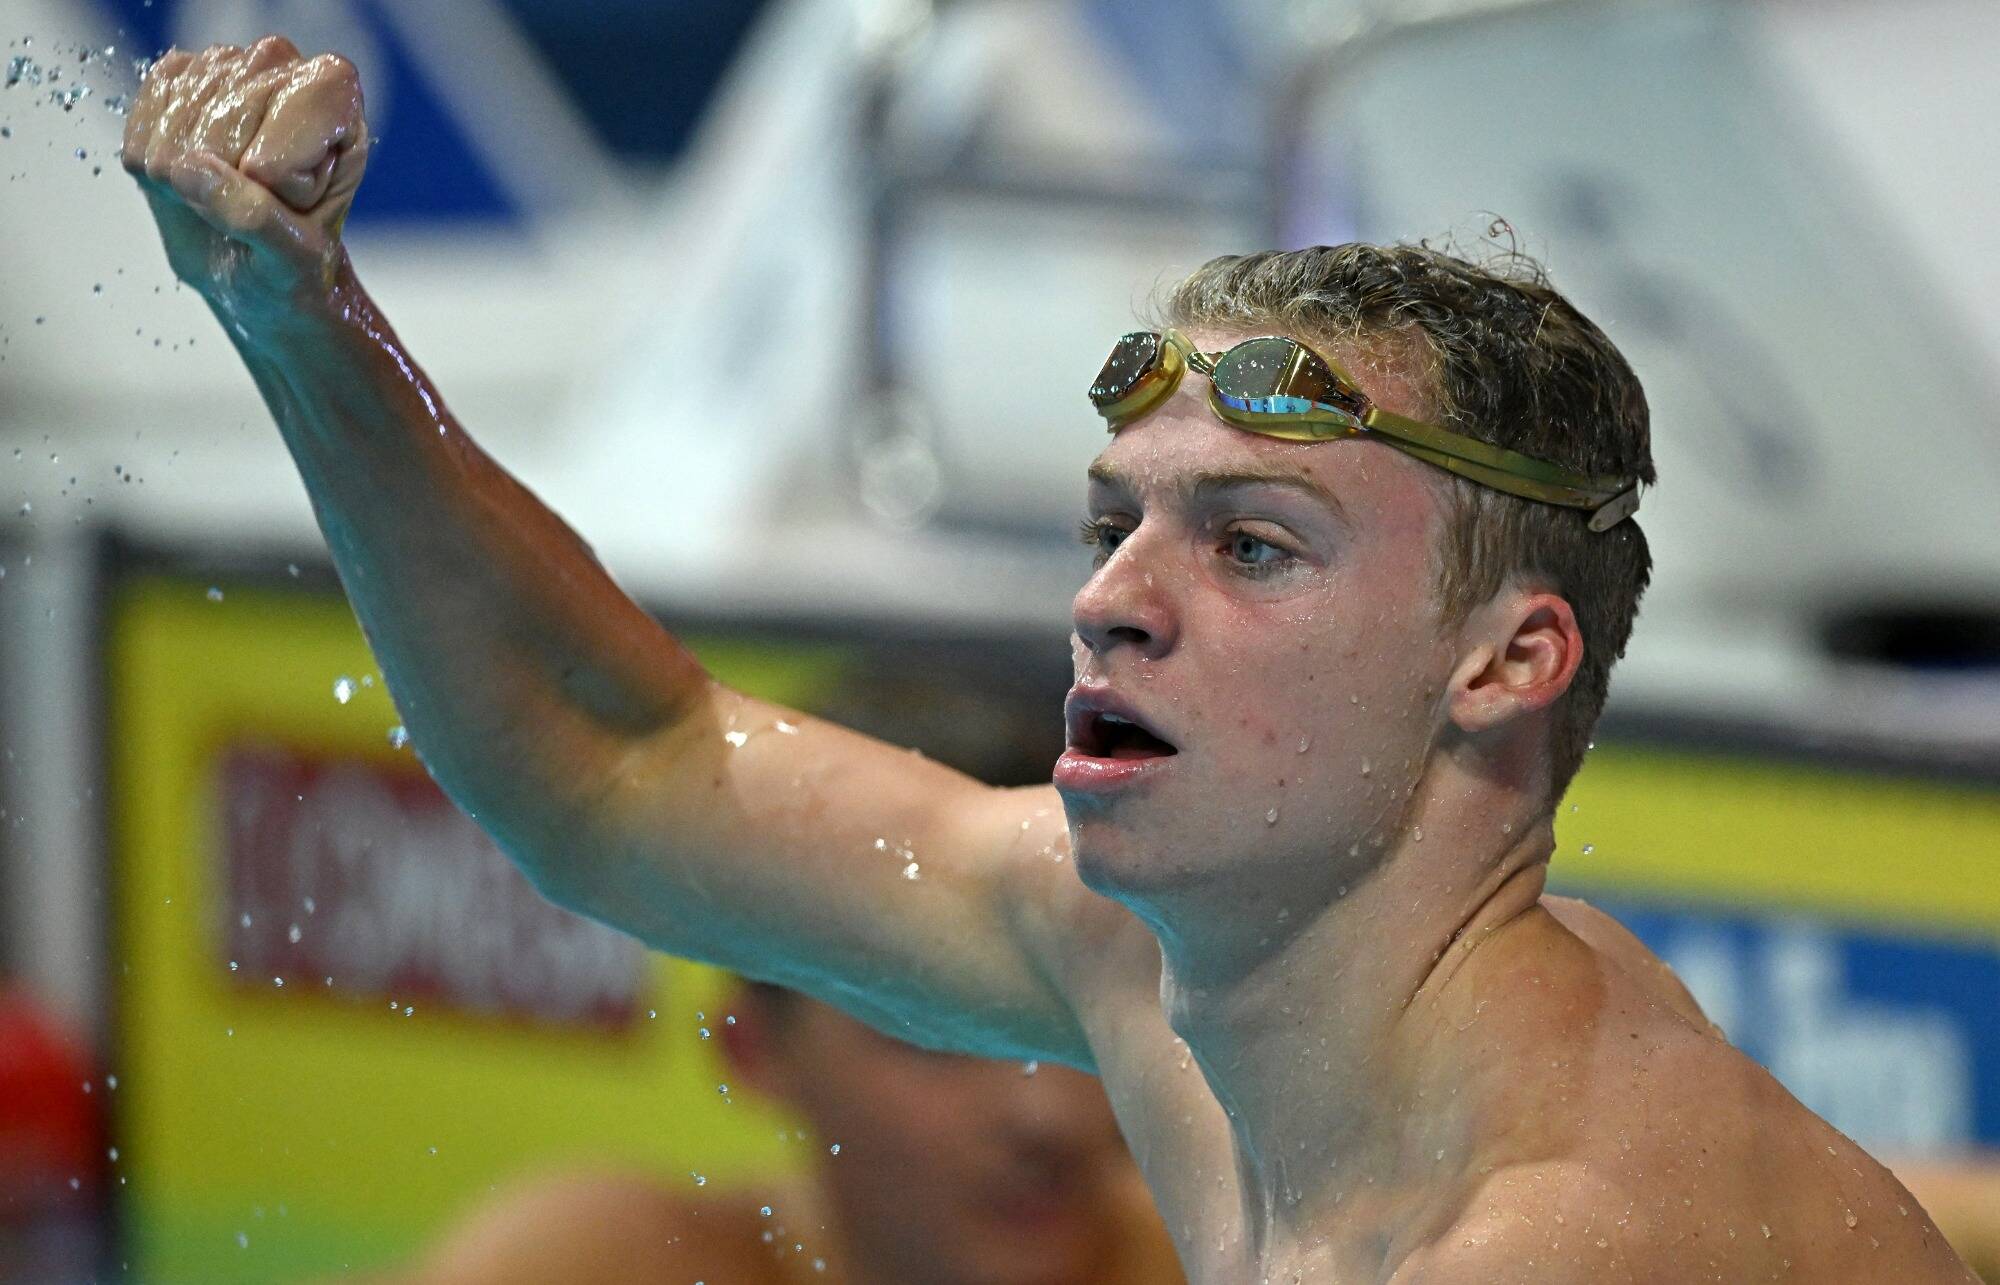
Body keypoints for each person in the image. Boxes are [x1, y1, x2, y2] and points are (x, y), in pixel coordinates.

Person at [122, 39, 1977, 1282]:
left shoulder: (1560, 1234)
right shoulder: (1158, 978)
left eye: (1253, 545)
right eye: (1118, 527)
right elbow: (627, 767)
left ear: (1503, 662)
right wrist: (295, 315)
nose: (1112, 603)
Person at [365, 981, 1182, 1285]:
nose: (1051, 1114)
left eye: (1075, 1030)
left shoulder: (1234, 1267)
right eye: (939, 1038)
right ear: (755, 1049)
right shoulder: (605, 1263)